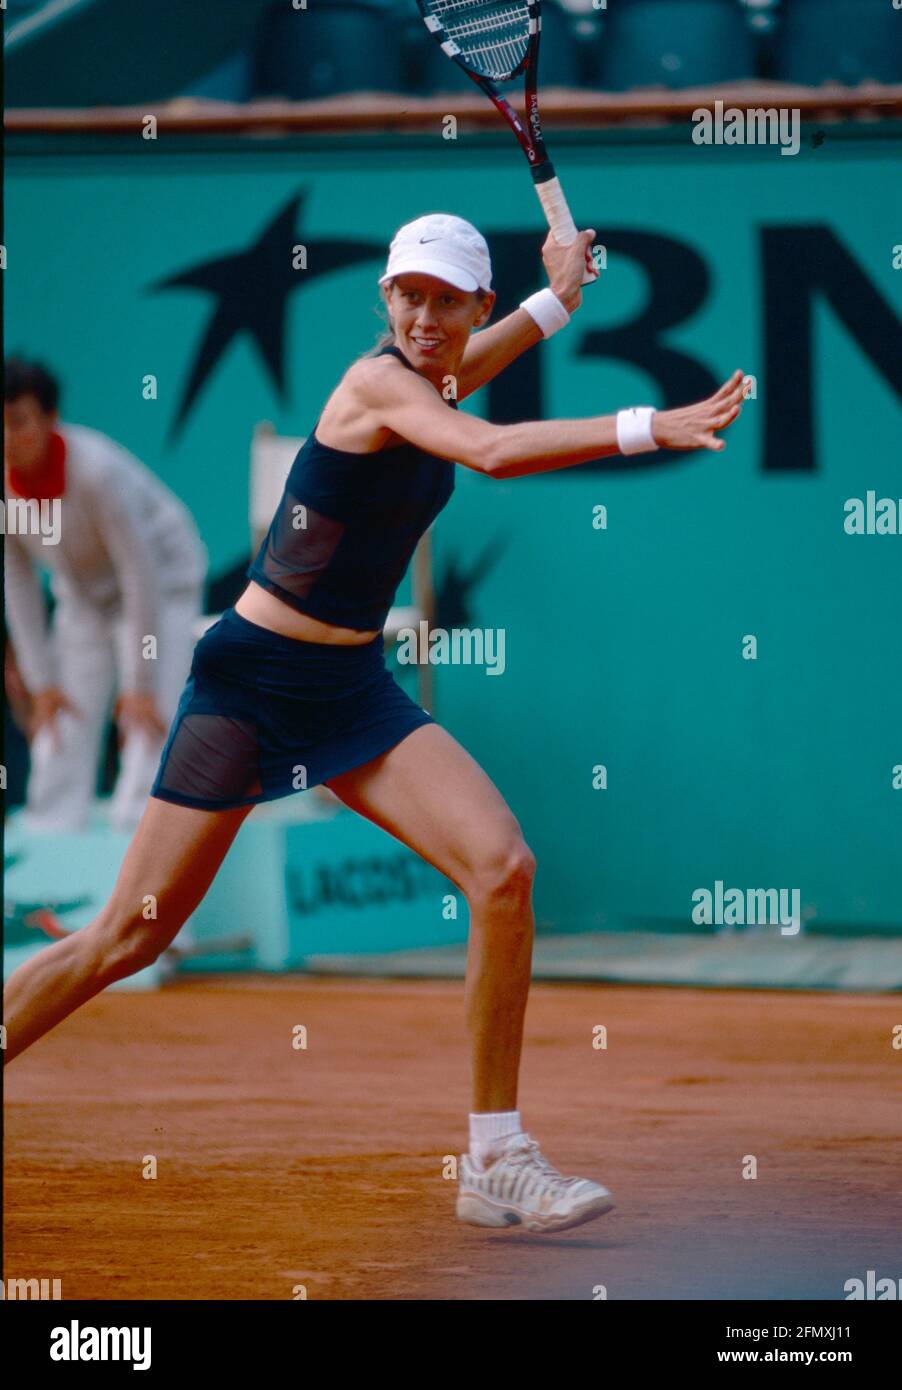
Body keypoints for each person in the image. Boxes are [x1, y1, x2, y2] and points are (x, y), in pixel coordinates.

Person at [2, 215, 746, 1232]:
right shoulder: (377, 383)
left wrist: (557, 300)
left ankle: (493, 1158)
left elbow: (474, 371)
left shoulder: (434, 371)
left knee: (502, 868)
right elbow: (483, 450)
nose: (423, 316)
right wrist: (641, 425)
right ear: (383, 300)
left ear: (473, 307)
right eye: (407, 294)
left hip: (350, 687)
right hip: (251, 685)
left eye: (446, 300)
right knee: (123, 941)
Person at [3, 359, 207, 833]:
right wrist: (41, 683)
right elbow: (18, 582)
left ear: (50, 419)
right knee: (59, 717)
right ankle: (50, 833)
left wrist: (139, 683)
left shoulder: (97, 473)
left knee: (149, 718)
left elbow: (141, 575)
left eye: (18, 422)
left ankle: (138, 832)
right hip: (84, 597)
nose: (9, 438)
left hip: (165, 584)